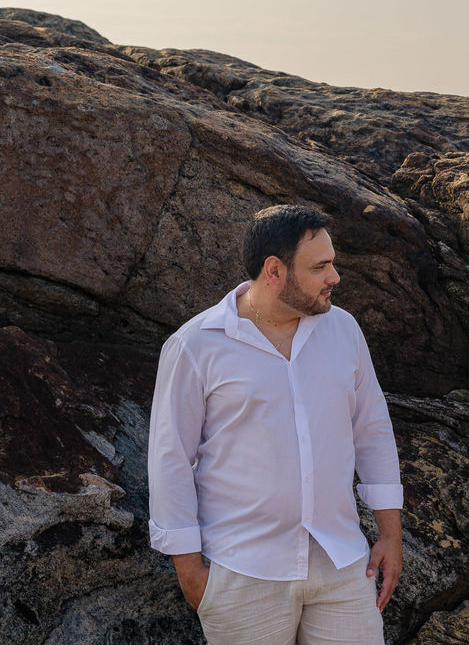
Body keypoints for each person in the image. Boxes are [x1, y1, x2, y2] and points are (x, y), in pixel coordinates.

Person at [147, 205, 404, 645]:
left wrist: (390, 534)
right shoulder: (195, 346)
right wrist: (192, 574)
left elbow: (373, 430)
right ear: (274, 271)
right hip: (244, 573)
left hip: (341, 563)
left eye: (332, 263)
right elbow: (170, 460)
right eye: (320, 266)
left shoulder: (343, 331)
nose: (334, 277)